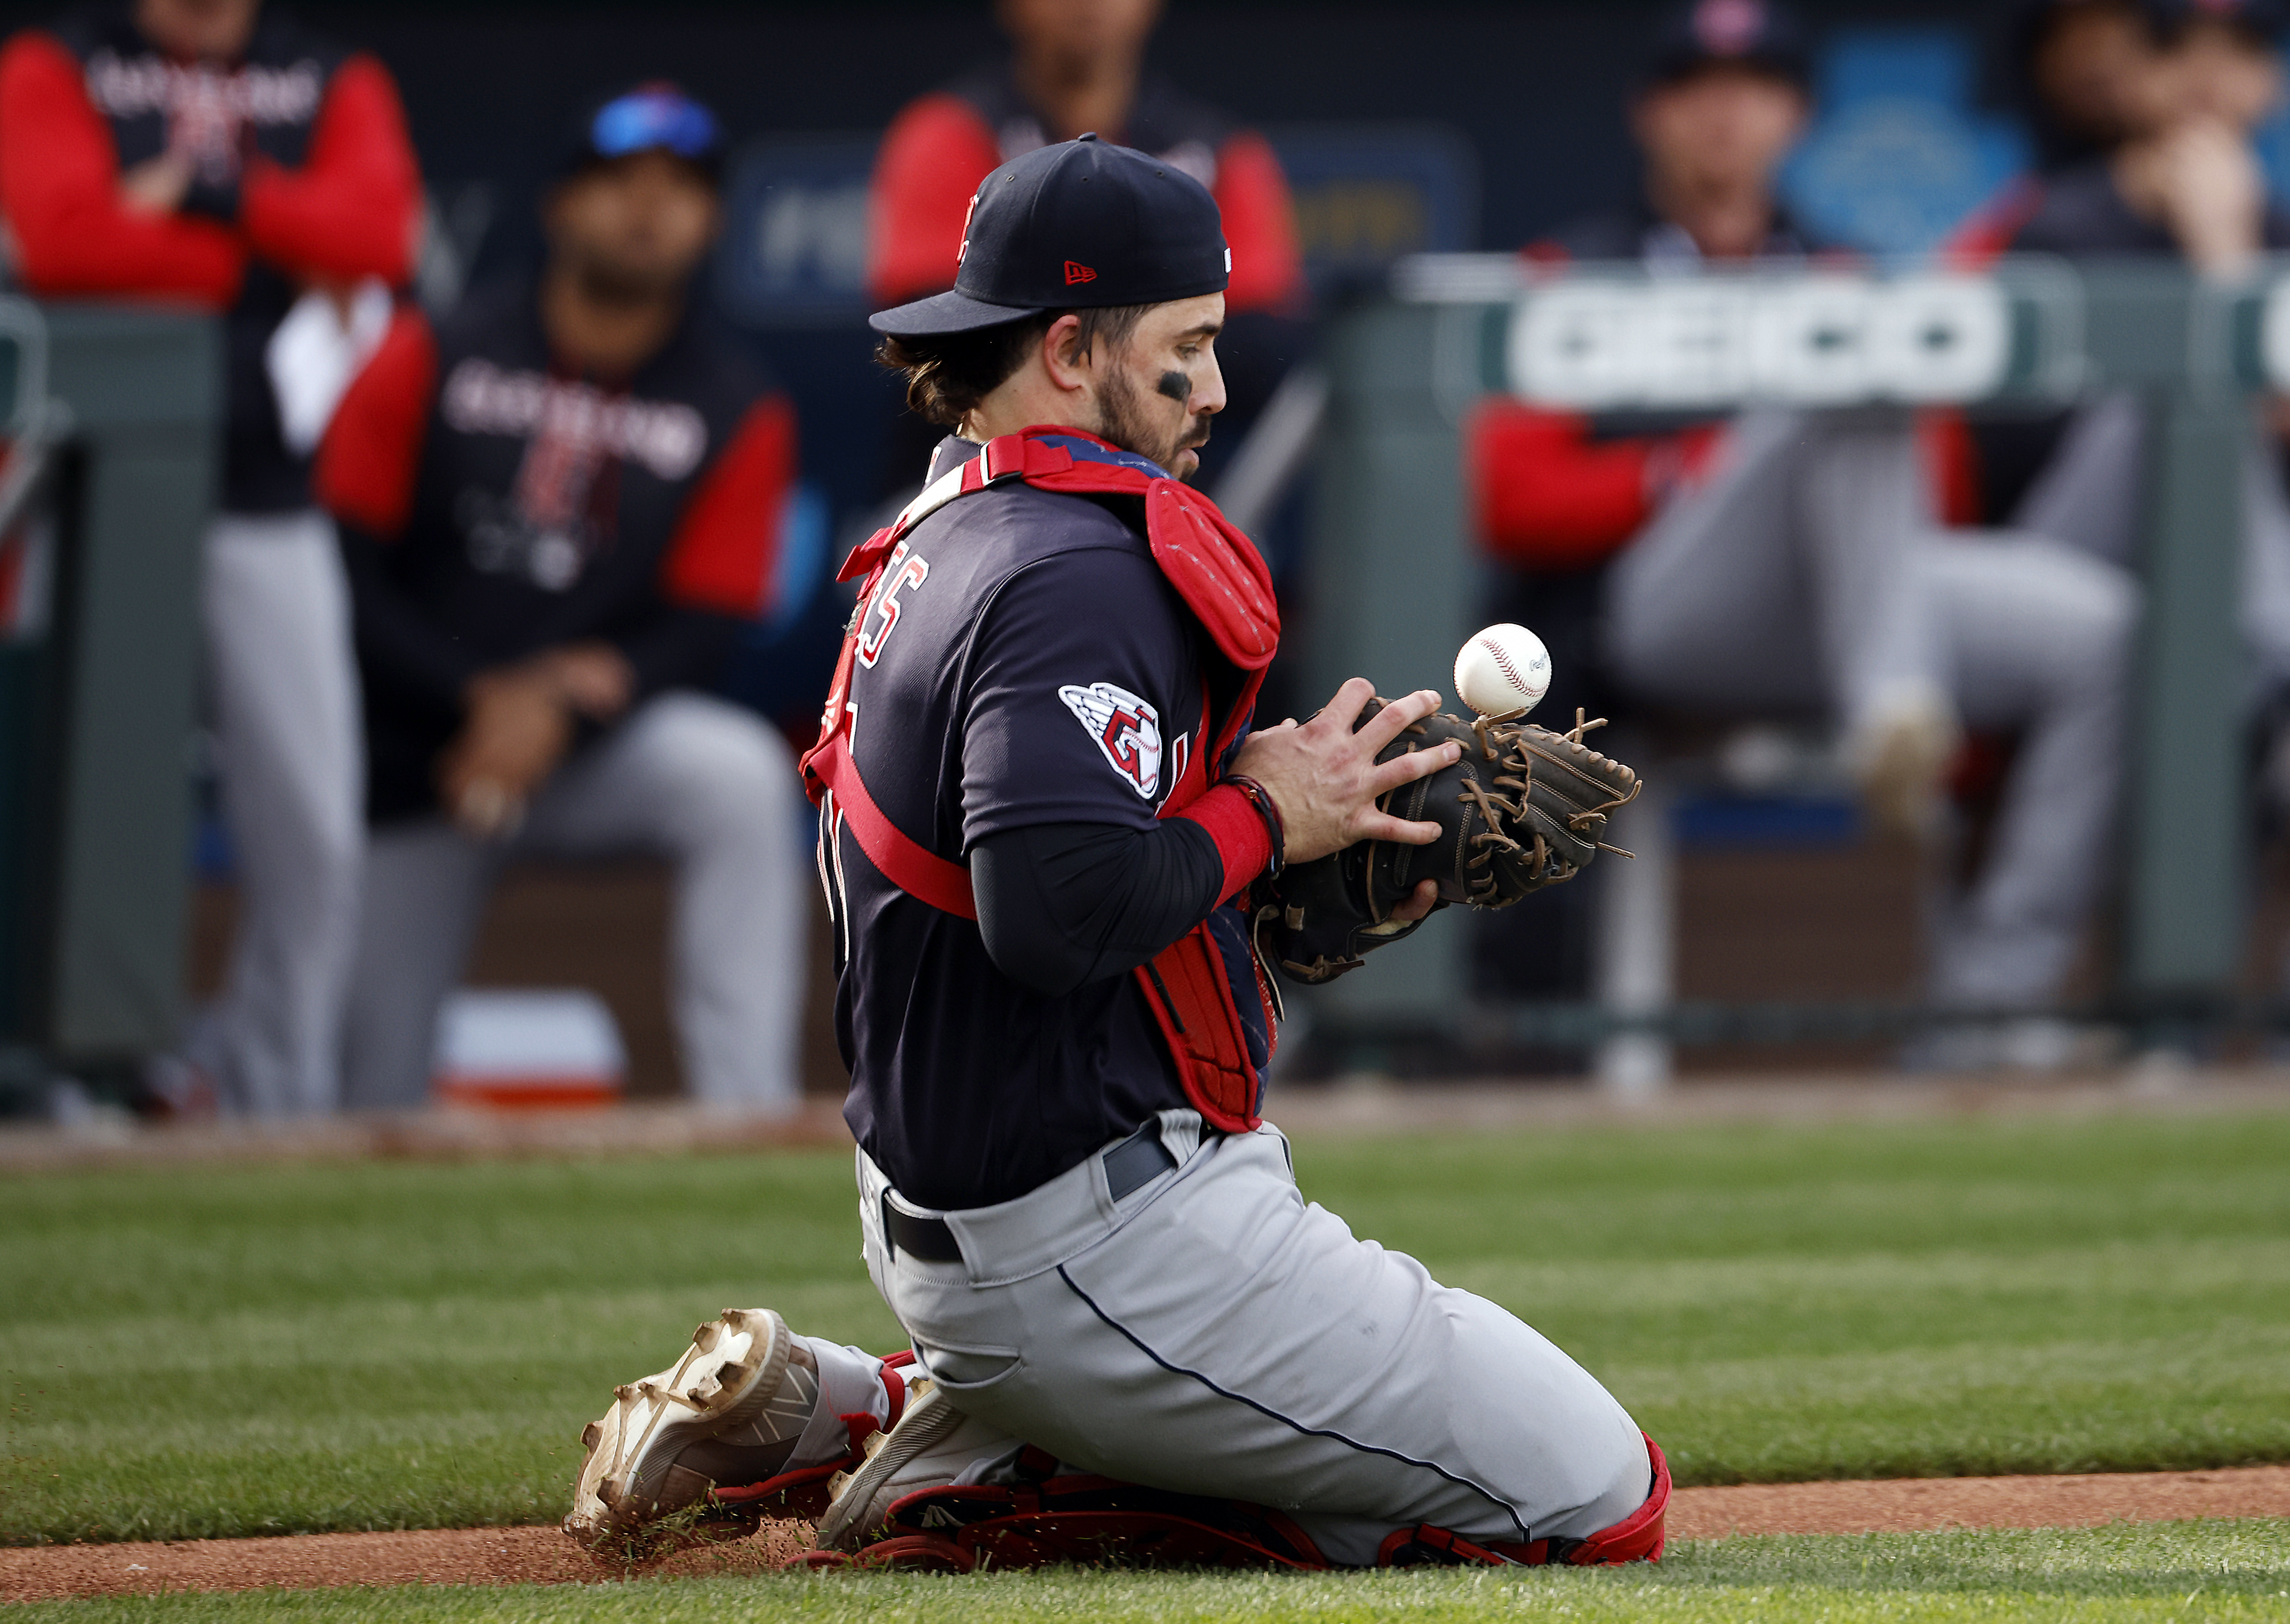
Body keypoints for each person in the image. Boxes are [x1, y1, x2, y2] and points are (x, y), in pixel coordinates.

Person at [563, 135, 1669, 1573]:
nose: (1216, 387)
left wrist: (1280, 840)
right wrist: (1268, 819)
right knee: (1597, 1493)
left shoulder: (949, 519)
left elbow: (1044, 887)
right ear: (1075, 347)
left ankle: (860, 1402)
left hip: (993, 1211)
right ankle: (983, 1470)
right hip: (1103, 1245)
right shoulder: (1079, 567)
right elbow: (1058, 911)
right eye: (1188, 348)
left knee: (1384, 1458)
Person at [1467, 0, 2140, 1035]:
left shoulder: (1845, 272)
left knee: (2101, 634)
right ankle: (1895, 705)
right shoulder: (1575, 269)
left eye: (1754, 91)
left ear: (1795, 116)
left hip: (1854, 604)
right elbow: (1507, 499)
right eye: (1696, 90)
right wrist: (1680, 473)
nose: (1724, 116)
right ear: (1649, 113)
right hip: (1668, 613)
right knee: (1841, 371)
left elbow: (1933, 502)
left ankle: (1991, 1000)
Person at [315, 85, 804, 1108]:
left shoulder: (734, 402)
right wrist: (480, 698)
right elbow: (340, 570)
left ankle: (743, 1114)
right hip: (427, 756)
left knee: (736, 779)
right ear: (560, 206)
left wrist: (561, 703)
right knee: (371, 1092)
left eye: (678, 189)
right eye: (618, 181)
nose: (646, 208)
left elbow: (707, 622)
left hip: (588, 751)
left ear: (711, 220)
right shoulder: (437, 347)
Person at [1968, 0, 2290, 1050]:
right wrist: (2216, 255)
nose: (2211, 76)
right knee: (2173, 405)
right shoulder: (2059, 222)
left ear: (2278, 86)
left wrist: (2225, 241)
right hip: (2078, 546)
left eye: (2242, 52)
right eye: (2180, 49)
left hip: (2254, 556)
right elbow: (2014, 451)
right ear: (2131, 75)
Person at [0, 0, 420, 1115]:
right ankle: (70, 1071)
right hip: (86, 496)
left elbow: (382, 239)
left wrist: (211, 195)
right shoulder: (60, 60)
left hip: (264, 498)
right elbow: (63, 239)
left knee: (313, 828)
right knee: (73, 799)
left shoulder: (326, 74)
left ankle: (274, 1099)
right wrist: (260, 259)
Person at [864, 0, 1303, 494]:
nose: (1086, 4)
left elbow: (1263, 350)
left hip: (1179, 487)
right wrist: (1150, 322)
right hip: (967, 484)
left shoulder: (1220, 151)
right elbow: (943, 334)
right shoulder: (948, 131)